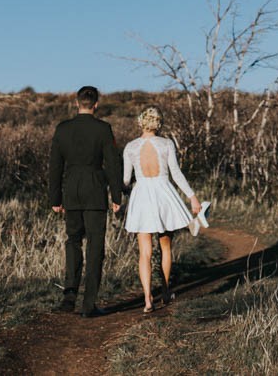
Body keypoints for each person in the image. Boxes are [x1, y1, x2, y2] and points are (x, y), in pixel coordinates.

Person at [123, 105, 210, 312]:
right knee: (166, 247)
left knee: (144, 252)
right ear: (158, 123)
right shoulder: (166, 144)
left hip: (142, 194)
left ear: (141, 122)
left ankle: (147, 300)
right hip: (164, 193)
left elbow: (126, 180)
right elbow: (176, 174)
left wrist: (120, 195)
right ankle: (165, 291)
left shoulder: (131, 147)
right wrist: (193, 198)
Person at [49, 85, 123, 317]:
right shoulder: (103, 129)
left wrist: (55, 197)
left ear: (76, 102)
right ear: (96, 104)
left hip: (71, 190)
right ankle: (88, 305)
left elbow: (55, 166)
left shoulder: (62, 129)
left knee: (72, 241)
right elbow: (112, 164)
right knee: (95, 246)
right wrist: (117, 195)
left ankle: (69, 296)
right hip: (95, 192)